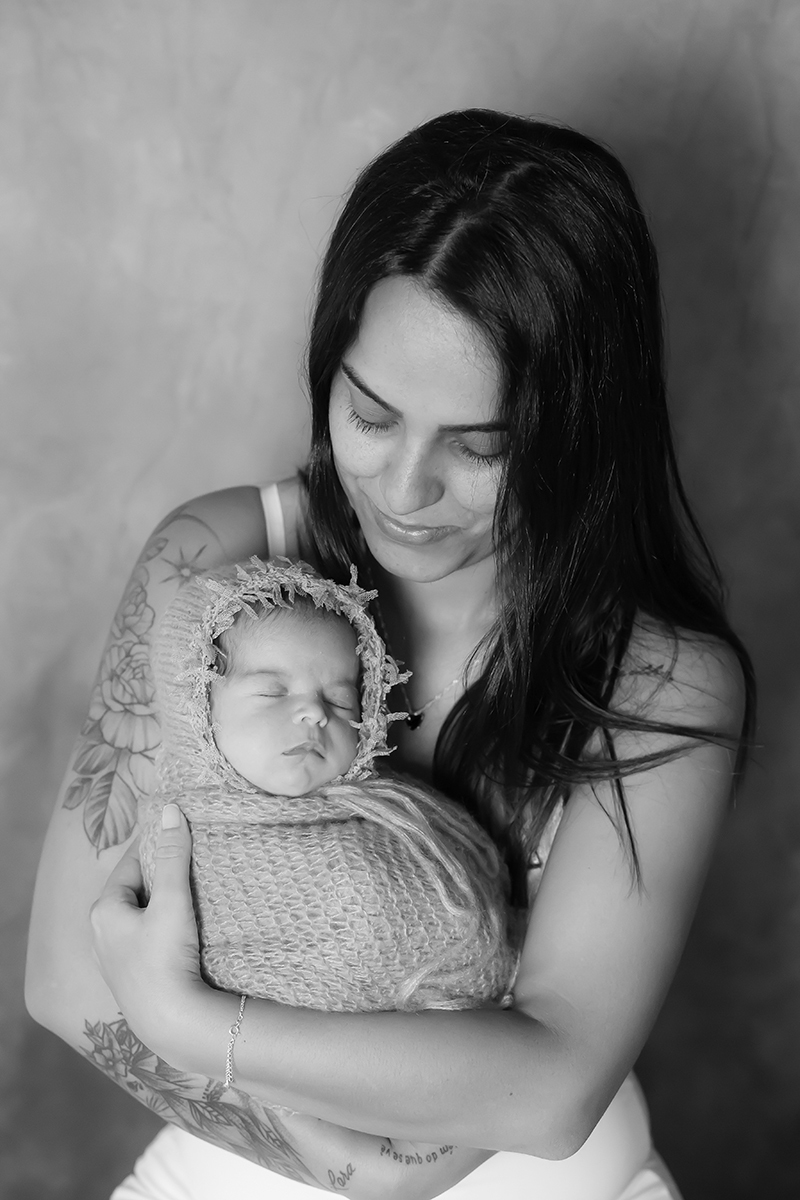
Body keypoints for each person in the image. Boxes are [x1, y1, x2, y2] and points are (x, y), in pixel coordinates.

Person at [25, 108, 754, 1200]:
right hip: (226, 1170)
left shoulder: (659, 680)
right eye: (370, 415)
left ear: (578, 435)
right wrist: (324, 1160)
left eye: (479, 449)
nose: (405, 493)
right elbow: (61, 972)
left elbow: (549, 1095)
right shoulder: (215, 557)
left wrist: (191, 1019)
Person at [137, 554, 515, 1012]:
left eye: (340, 699)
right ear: (195, 710)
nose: (315, 713)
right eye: (272, 692)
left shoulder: (391, 808)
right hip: (286, 1060)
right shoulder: (192, 835)